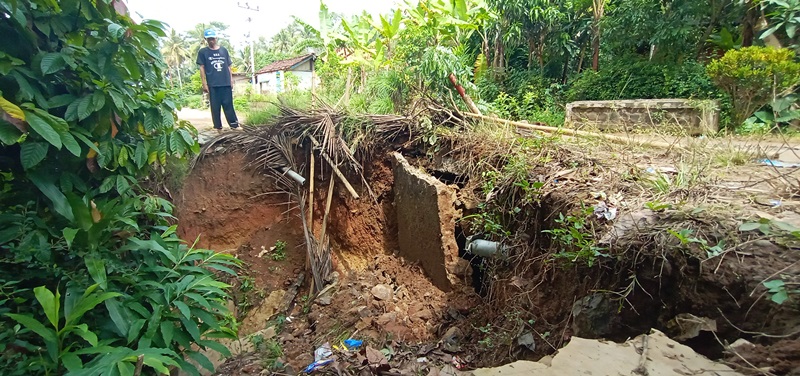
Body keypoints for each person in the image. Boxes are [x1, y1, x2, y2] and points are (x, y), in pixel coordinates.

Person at [196, 29, 240, 130]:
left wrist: (231, 80)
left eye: (213, 38)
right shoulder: (203, 52)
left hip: (225, 82)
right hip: (213, 84)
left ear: (216, 38)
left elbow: (229, 66)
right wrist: (204, 83)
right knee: (215, 107)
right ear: (206, 39)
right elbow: (202, 67)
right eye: (209, 39)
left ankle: (234, 125)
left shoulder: (223, 50)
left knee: (228, 104)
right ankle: (218, 127)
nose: (211, 41)